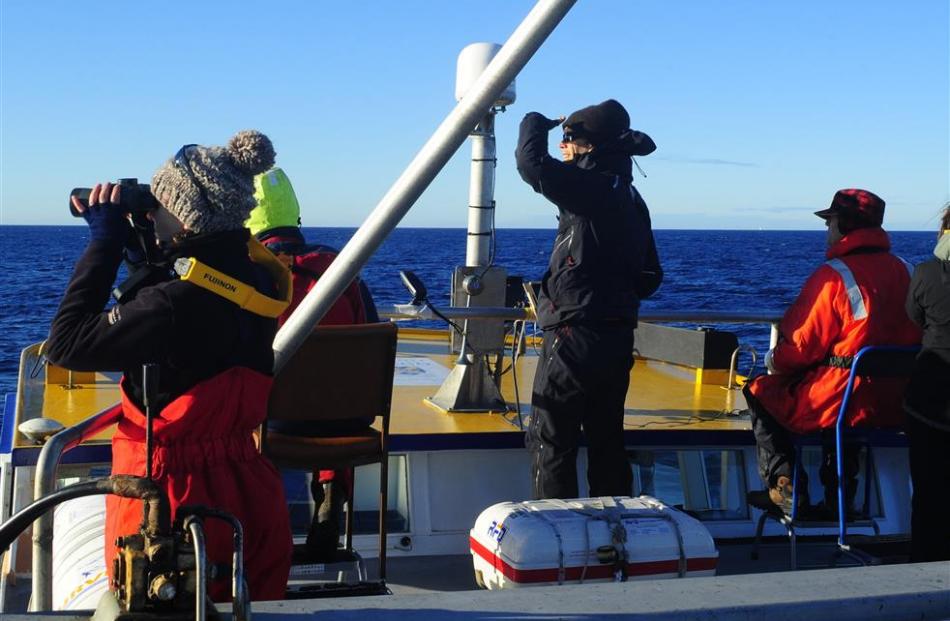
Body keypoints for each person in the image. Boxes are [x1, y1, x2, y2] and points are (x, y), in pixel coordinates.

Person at [44, 131, 293, 601]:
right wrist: (147, 253)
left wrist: (104, 243)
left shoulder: (174, 304)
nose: (151, 210)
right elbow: (192, 304)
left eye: (160, 202)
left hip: (171, 502)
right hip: (251, 493)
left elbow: (66, 345)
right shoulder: (254, 279)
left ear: (186, 217)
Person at [515, 99, 662, 500]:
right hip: (616, 334)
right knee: (606, 439)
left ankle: (555, 533)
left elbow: (532, 165)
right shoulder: (631, 197)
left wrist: (534, 122)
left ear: (588, 146)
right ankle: (615, 531)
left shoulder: (590, 185)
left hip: (574, 331)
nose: (564, 146)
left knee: (552, 438)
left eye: (570, 138)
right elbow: (651, 276)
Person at [744, 189, 921, 517]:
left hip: (844, 401)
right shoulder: (909, 271)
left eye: (831, 222)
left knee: (761, 391)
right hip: (899, 403)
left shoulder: (834, 276)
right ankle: (839, 499)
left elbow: (799, 349)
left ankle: (784, 486)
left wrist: (773, 362)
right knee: (845, 410)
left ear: (844, 226)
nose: (827, 230)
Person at [246, 167, 379, 559]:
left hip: (277, 425)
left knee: (240, 410)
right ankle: (331, 489)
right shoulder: (341, 270)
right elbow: (369, 332)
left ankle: (262, 524)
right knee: (334, 396)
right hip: (350, 421)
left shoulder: (250, 278)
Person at [903, 204, 950, 562]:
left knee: (929, 487)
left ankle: (924, 561)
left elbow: (913, 316)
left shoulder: (926, 273)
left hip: (930, 399)